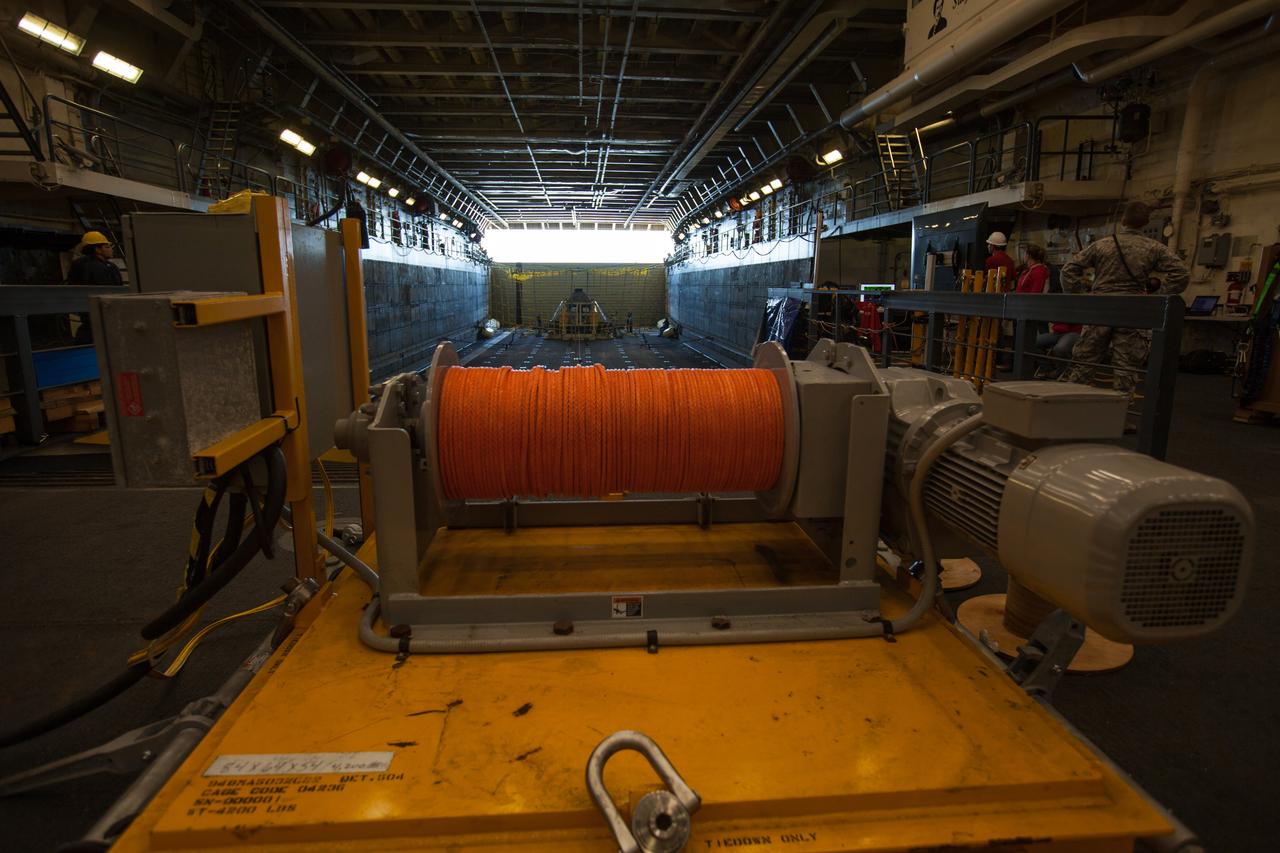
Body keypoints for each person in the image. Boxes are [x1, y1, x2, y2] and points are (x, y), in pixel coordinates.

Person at [1059, 201, 1189, 394]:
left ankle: (1069, 408)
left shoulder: (1102, 245)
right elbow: (1181, 274)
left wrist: (1083, 296)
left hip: (1099, 309)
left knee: (1083, 364)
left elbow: (1068, 270)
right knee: (1126, 370)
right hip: (1133, 311)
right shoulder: (1154, 248)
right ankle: (1121, 417)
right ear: (1145, 223)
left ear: (1123, 220)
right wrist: (1157, 298)